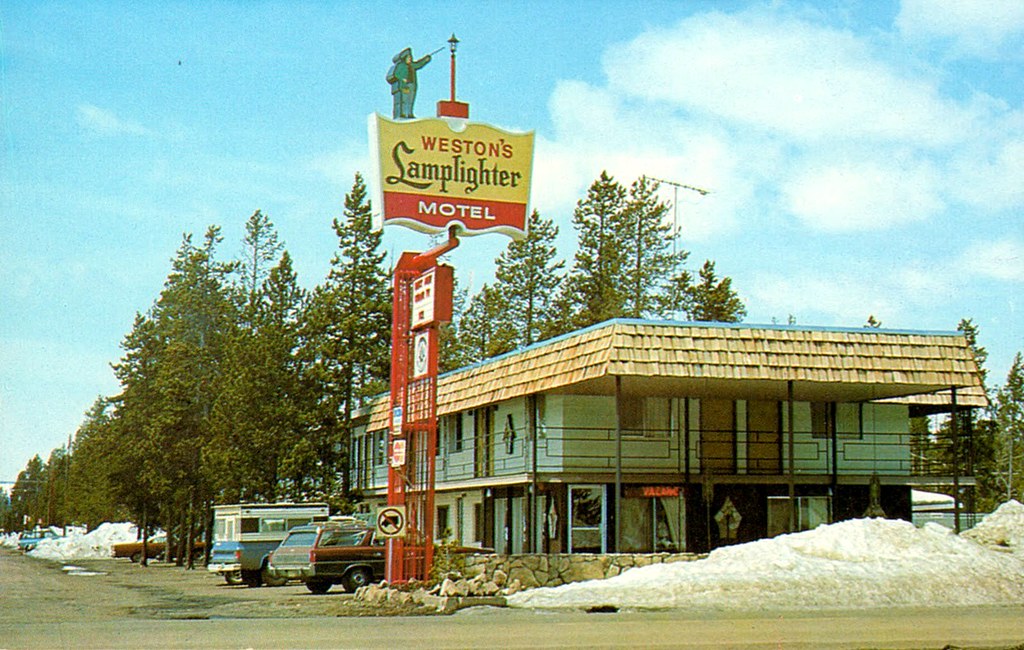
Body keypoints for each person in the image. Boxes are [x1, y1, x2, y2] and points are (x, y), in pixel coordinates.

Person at [387, 47, 431, 119]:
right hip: (405, 85)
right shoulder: (401, 65)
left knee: (411, 100)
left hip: (412, 85)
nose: (410, 59)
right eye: (408, 57)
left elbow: (419, 64)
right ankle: (403, 113)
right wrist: (402, 79)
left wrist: (426, 59)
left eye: (410, 57)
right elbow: (396, 74)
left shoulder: (412, 65)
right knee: (404, 100)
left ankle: (410, 113)